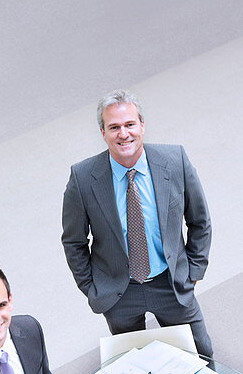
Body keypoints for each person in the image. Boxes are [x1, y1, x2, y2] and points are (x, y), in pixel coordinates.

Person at [61, 88, 214, 358]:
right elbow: (74, 241)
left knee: (201, 355)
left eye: (130, 124)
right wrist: (92, 287)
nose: (124, 133)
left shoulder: (175, 160)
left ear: (142, 125)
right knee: (135, 367)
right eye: (114, 127)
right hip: (120, 292)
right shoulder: (83, 178)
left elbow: (200, 221)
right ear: (103, 132)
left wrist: (193, 272)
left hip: (171, 283)